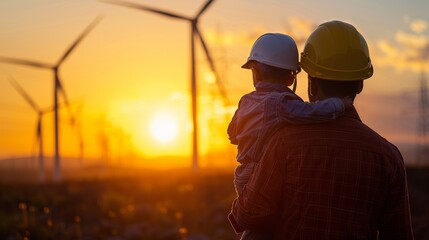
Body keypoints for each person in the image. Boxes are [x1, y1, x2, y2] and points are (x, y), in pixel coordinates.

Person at [228, 21, 414, 239]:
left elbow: (252, 213)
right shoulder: (389, 157)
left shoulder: (283, 143)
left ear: (311, 84)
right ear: (360, 84)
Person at [228, 33, 351, 239]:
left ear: (255, 72)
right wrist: (340, 104)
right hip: (261, 172)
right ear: (291, 77)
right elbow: (312, 112)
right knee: (271, 223)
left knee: (257, 226)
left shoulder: (245, 101)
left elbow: (232, 133)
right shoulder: (282, 103)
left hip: (242, 173)